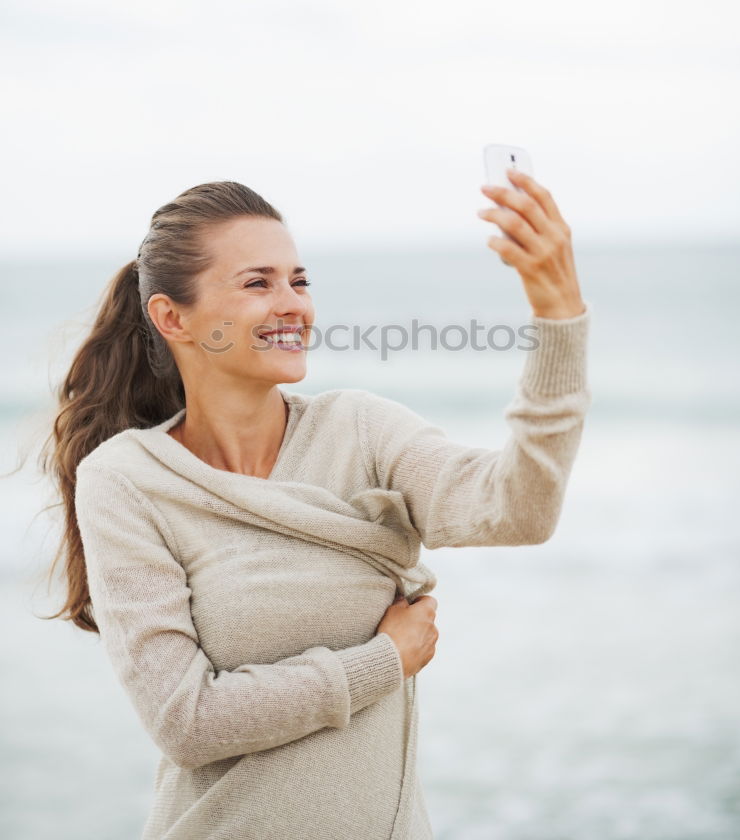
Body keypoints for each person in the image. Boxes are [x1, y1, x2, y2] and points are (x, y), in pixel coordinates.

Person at [40, 174, 591, 839]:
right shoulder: (128, 480)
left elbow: (518, 509)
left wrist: (557, 313)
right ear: (171, 318)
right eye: (257, 283)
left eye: (299, 282)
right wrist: (382, 662)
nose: (291, 304)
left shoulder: (362, 430)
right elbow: (186, 723)